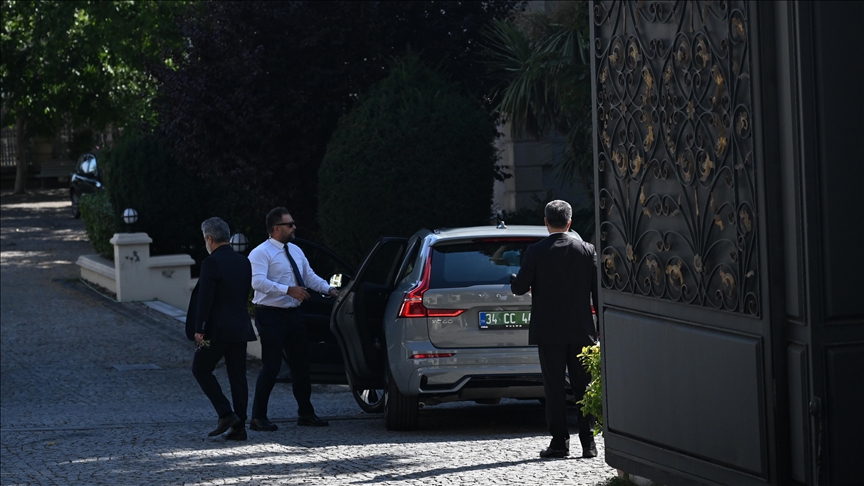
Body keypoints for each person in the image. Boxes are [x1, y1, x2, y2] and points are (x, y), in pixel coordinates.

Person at [510, 200, 599, 459]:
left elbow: (519, 287)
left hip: (549, 332)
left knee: (554, 388)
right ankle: (589, 444)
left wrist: (515, 280)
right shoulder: (587, 250)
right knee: (584, 387)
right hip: (581, 330)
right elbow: (597, 292)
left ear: (546, 222)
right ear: (570, 223)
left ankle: (559, 443)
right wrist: (600, 328)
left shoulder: (536, 251)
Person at [247, 207, 339, 430]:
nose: (294, 227)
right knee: (271, 366)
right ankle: (258, 417)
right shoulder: (260, 253)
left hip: (293, 314)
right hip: (270, 314)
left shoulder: (295, 250)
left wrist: (330, 290)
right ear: (276, 228)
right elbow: (257, 282)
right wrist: (288, 290)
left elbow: (309, 276)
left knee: (301, 365)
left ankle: (305, 413)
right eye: (290, 224)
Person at [186, 217, 256, 441]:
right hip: (240, 328)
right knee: (238, 377)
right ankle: (240, 426)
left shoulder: (211, 262)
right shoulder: (243, 262)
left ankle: (226, 414)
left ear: (209, 239)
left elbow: (206, 298)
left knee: (200, 369)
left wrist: (200, 329)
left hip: (214, 332)